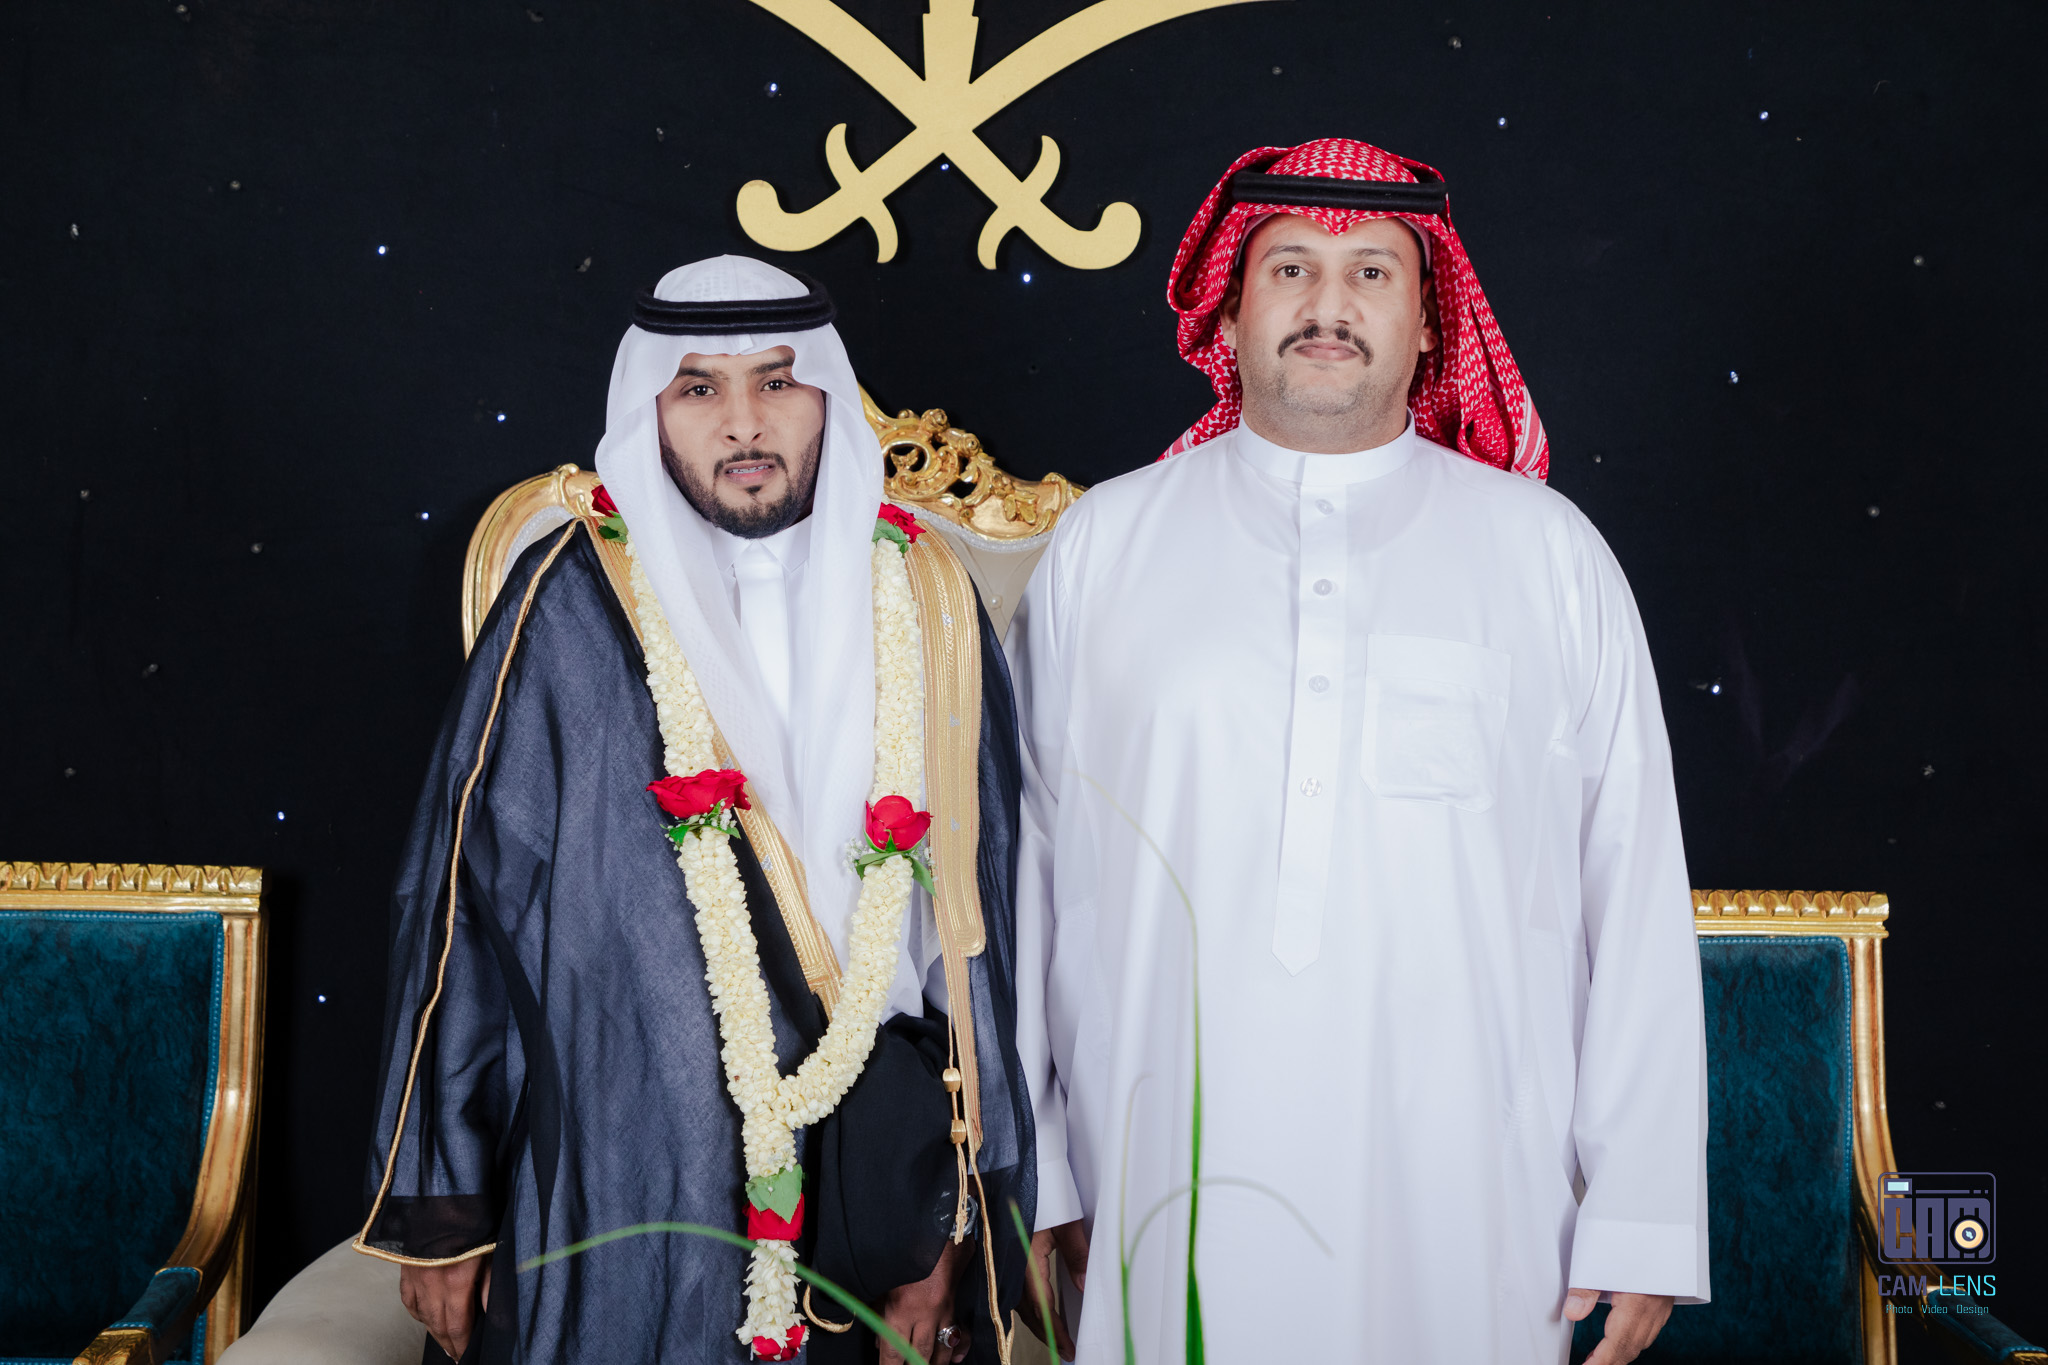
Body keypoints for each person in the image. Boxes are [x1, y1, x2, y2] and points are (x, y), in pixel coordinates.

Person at [1009, 139, 1709, 1363]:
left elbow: (1631, 889)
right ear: (1228, 309)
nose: (1326, 304)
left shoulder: (1546, 554)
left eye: (1371, 273)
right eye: (1289, 267)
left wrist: (1640, 1214)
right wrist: (1044, 1170)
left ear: (1430, 323)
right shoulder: (1103, 547)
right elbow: (1028, 874)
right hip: (1164, 1176)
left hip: (1478, 1195)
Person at [357, 256, 1036, 1364]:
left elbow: (984, 927)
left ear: (826, 395)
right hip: (620, 1157)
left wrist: (942, 1222)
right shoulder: (566, 606)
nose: (743, 423)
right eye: (699, 389)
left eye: (777, 381)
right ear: (651, 410)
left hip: (869, 1171)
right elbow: (460, 913)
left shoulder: (924, 597)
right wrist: (446, 1208)